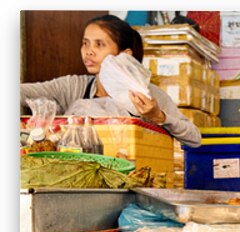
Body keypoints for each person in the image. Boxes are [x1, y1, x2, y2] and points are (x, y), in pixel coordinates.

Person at [20, 14, 201, 148]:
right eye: (85, 43)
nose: (88, 51)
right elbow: (24, 92)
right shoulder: (74, 86)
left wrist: (158, 117)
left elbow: (194, 138)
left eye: (99, 44)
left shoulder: (147, 95)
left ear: (125, 55)